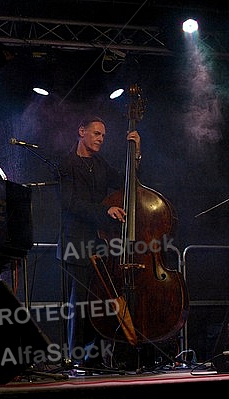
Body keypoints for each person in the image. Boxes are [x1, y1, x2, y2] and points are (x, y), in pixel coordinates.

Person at [56, 115, 140, 368]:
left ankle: (95, 357)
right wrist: (105, 211)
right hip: (76, 243)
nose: (101, 139)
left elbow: (127, 184)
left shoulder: (100, 163)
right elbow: (69, 203)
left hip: (100, 243)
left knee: (100, 304)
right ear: (81, 131)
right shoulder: (66, 163)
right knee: (80, 304)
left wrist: (135, 154)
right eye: (96, 134)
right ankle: (76, 357)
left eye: (103, 135)